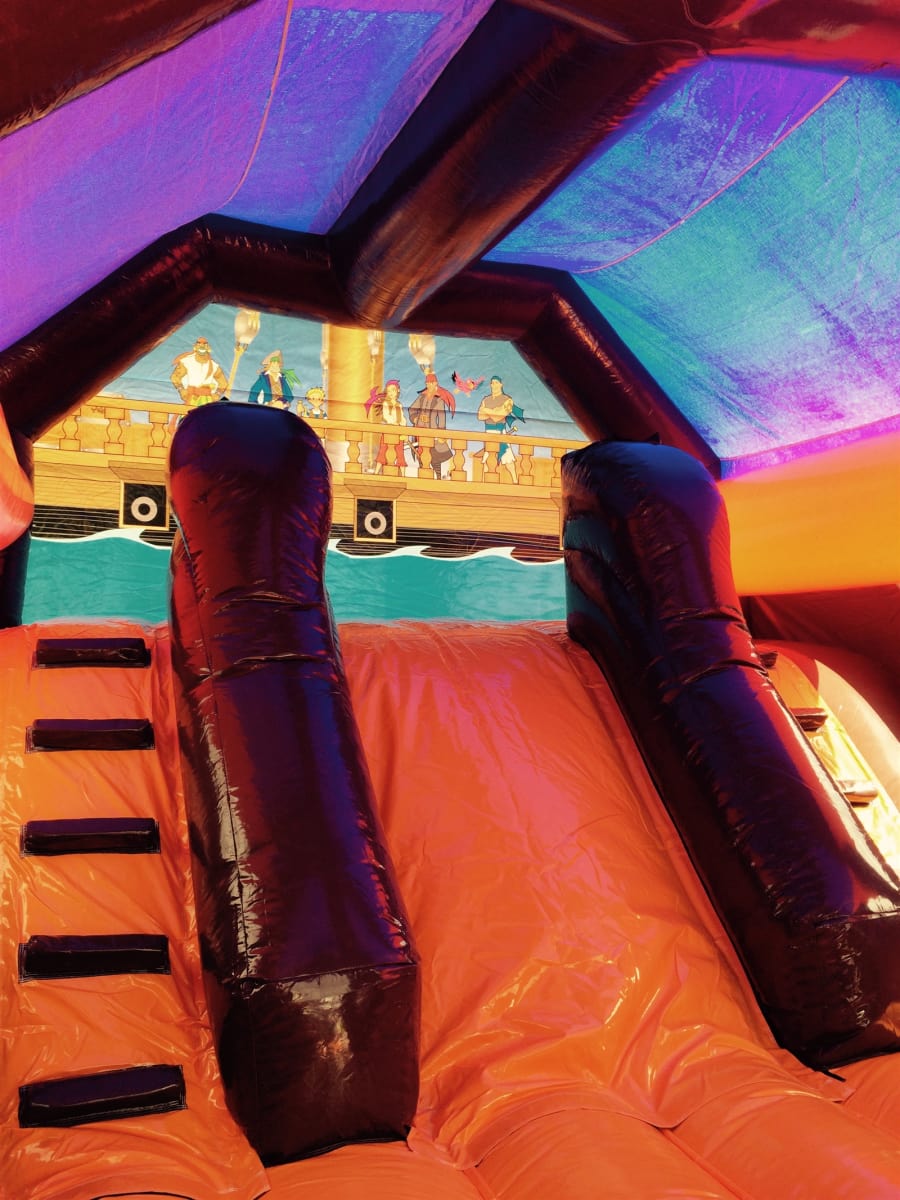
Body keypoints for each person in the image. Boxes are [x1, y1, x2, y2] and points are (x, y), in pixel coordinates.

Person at [476, 375, 523, 483]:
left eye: (496, 383)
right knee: (487, 460)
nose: (494, 385)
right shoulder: (486, 399)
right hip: (488, 433)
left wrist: (487, 411)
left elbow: (498, 417)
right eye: (492, 383)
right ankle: (483, 485)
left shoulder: (507, 400)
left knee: (508, 459)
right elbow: (480, 416)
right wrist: (495, 411)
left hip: (500, 432)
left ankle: (515, 482)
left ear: (501, 384)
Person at [408, 372, 456, 479]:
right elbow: (411, 409)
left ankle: (438, 477)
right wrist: (415, 418)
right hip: (419, 431)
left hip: (432, 431)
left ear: (435, 384)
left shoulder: (439, 400)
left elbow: (442, 418)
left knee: (435, 456)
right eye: (427, 383)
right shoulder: (421, 397)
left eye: (431, 383)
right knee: (421, 455)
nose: (429, 385)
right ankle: (424, 478)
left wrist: (441, 433)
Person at [170, 336, 228, 407]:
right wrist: (181, 390)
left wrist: (217, 394)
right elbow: (175, 377)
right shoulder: (187, 361)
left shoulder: (214, 366)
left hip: (207, 399)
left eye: (205, 344)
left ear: (208, 348)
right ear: (195, 347)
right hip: (191, 397)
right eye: (199, 344)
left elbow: (223, 383)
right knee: (189, 413)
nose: (202, 346)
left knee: (206, 414)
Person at [369, 380, 407, 474]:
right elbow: (386, 416)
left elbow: (402, 417)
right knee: (383, 451)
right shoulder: (386, 404)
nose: (391, 393)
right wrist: (394, 423)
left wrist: (403, 426)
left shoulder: (399, 405)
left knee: (400, 452)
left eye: (393, 390)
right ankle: (376, 472)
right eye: (389, 391)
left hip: (398, 432)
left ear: (398, 390)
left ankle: (403, 475)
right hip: (388, 431)